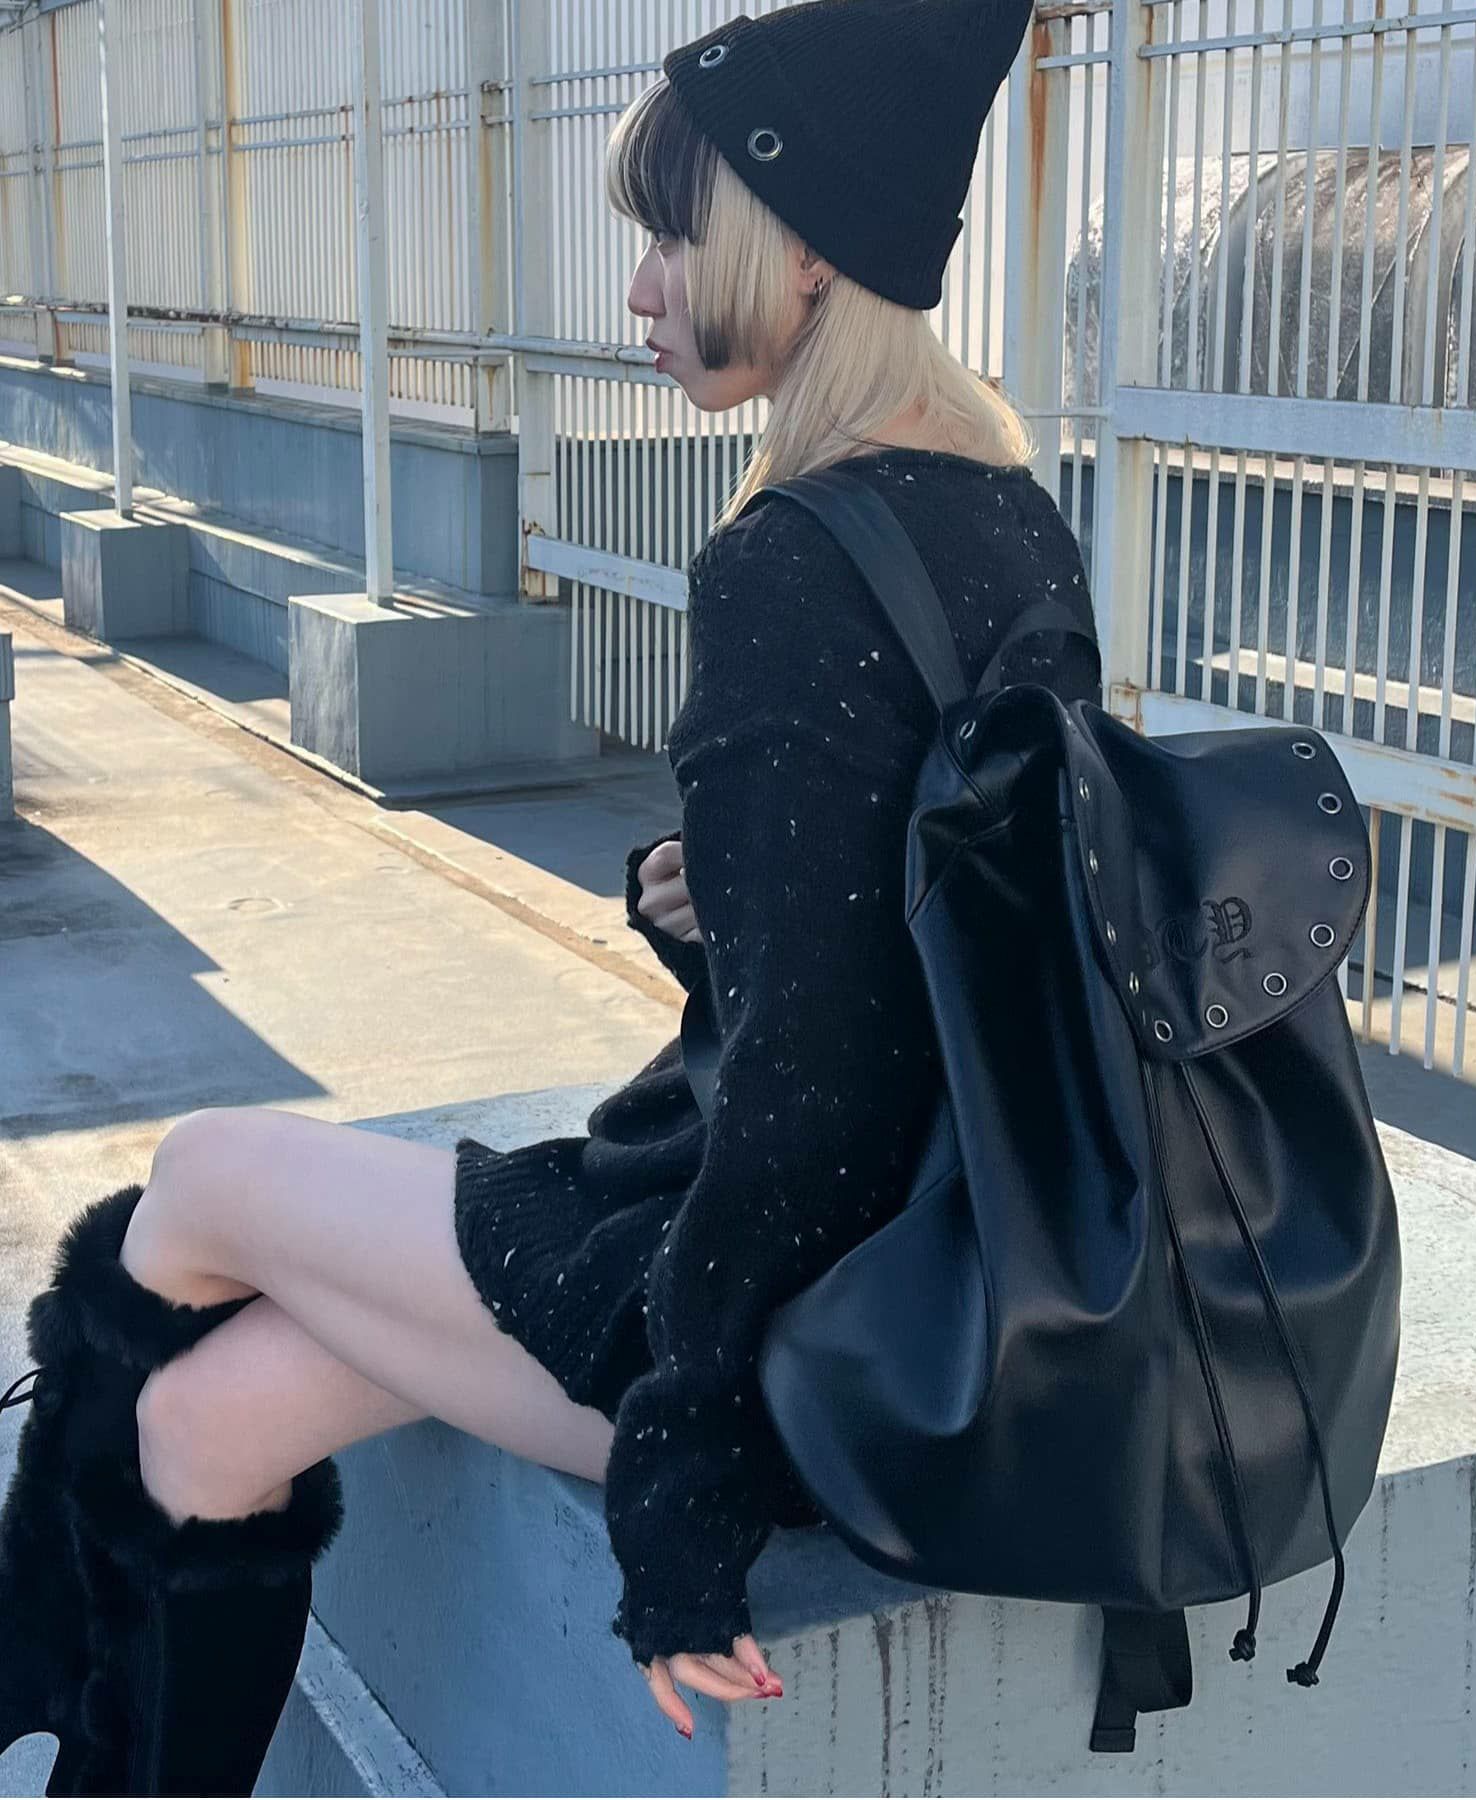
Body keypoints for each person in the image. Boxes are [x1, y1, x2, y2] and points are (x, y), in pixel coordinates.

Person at [0, 0, 1099, 1788]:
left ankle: (31, 1627)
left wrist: (684, 1487)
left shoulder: (792, 560)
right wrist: (730, 907)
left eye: (674, 235)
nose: (641, 291)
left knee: (200, 1177)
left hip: (788, 1343)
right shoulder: (1006, 511)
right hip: (940, 1285)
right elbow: (950, 950)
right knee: (208, 1421)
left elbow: (811, 1098)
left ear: (806, 249)